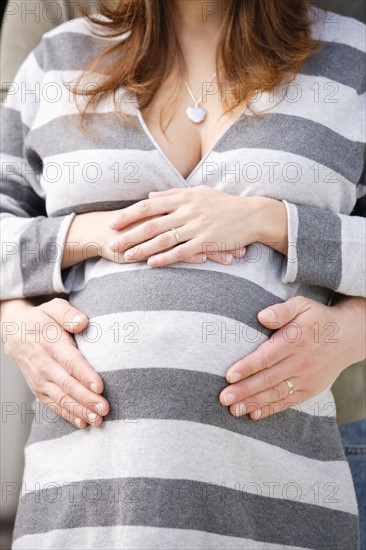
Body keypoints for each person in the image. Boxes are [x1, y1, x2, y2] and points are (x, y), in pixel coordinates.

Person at [1, 0, 365, 548]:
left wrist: (270, 222)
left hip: (280, 498)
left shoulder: (350, 61)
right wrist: (76, 249)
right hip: (88, 503)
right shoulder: (59, 56)